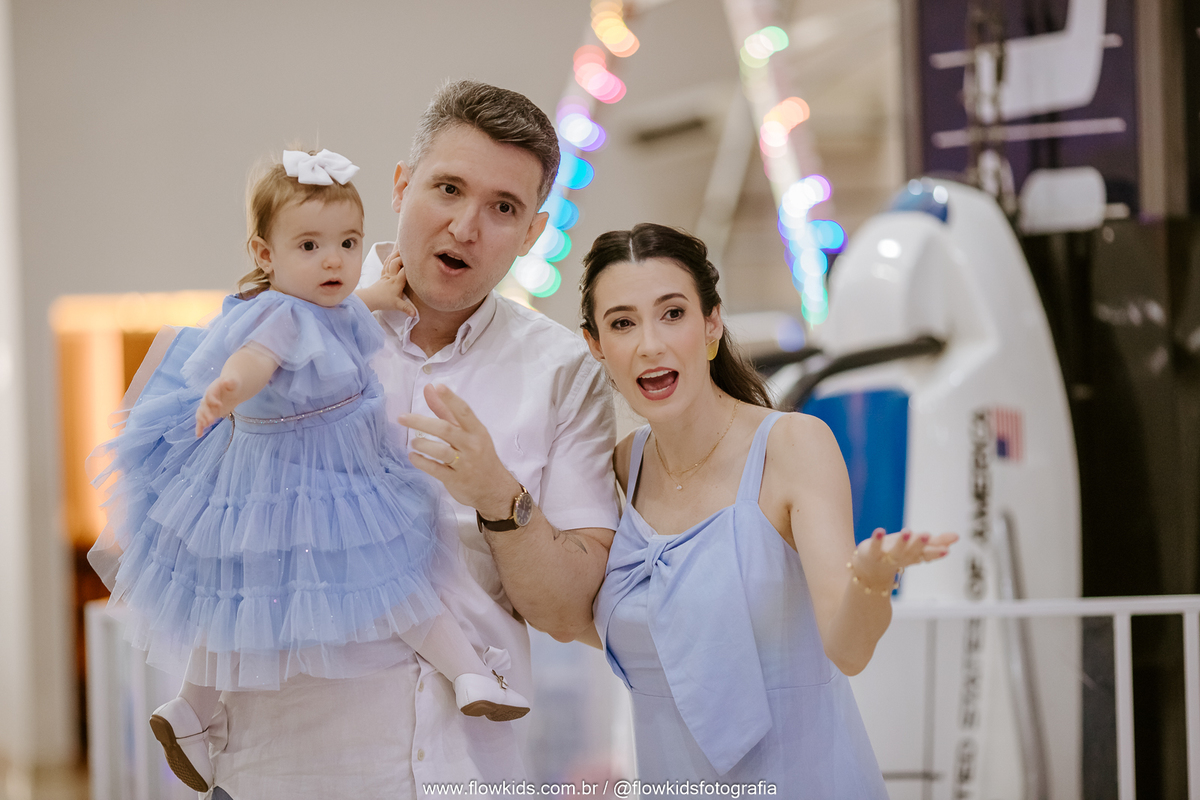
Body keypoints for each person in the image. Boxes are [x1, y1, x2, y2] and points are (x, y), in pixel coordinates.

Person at [204, 81, 620, 799]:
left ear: (532, 233)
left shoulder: (565, 372)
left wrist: (499, 497)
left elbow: (568, 612)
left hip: (472, 769)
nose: (465, 226)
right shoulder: (276, 327)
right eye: (448, 189)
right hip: (290, 762)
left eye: (503, 208)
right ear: (401, 185)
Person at [88, 149, 530, 795]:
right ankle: (469, 672)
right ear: (265, 254)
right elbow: (254, 360)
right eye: (310, 245)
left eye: (347, 243)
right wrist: (228, 389)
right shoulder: (278, 314)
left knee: (236, 600)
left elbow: (355, 307)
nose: (334, 261)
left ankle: (191, 709)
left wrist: (384, 292)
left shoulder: (328, 304)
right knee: (388, 576)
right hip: (304, 480)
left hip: (314, 474)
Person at [582, 223, 958, 793]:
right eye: (622, 323)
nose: (650, 344)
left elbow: (849, 650)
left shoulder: (792, 446)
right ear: (596, 346)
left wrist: (871, 579)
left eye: (673, 313)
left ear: (712, 324)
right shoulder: (620, 468)